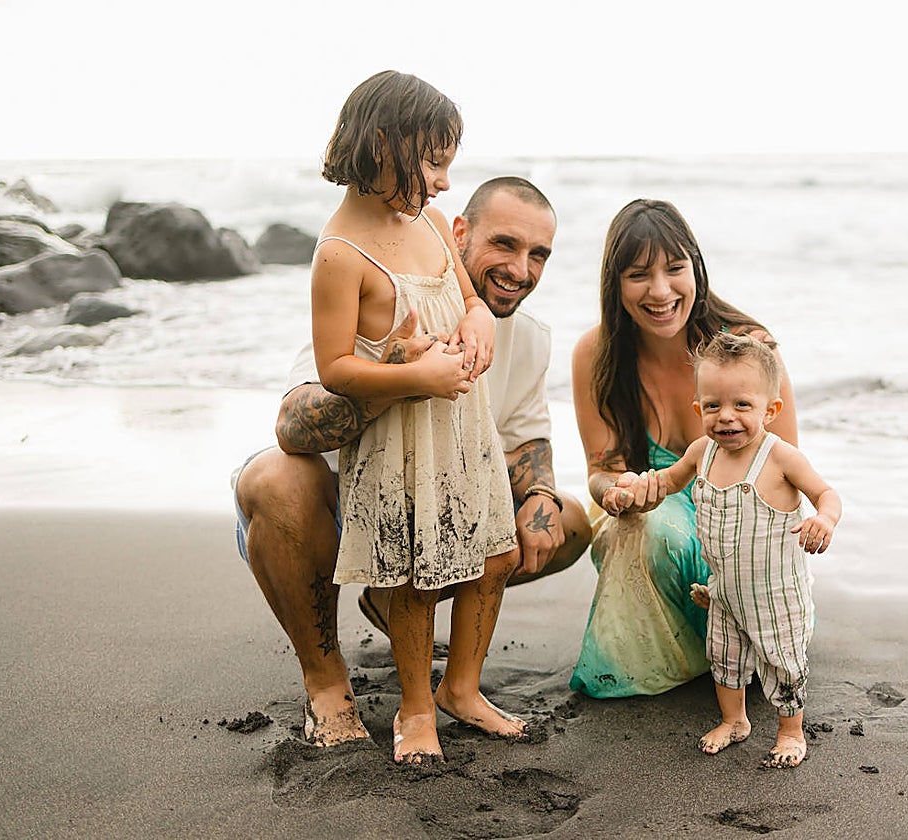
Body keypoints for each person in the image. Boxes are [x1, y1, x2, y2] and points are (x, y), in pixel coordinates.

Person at [233, 73, 589, 759]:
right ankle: (337, 684)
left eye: (538, 253)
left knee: (515, 535)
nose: (521, 269)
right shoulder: (344, 255)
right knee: (312, 501)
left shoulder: (434, 235)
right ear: (383, 145)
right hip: (357, 489)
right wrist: (406, 376)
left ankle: (461, 686)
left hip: (461, 461)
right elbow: (309, 404)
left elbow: (527, 437)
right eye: (434, 163)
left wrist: (480, 315)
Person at [568, 198, 799, 699]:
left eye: (675, 269)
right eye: (638, 275)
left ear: (696, 268)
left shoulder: (748, 347)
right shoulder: (594, 354)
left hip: (743, 530)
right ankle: (682, 659)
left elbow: (788, 472)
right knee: (645, 528)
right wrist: (618, 491)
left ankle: (739, 646)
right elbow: (601, 469)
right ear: (614, 282)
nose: (660, 291)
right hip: (654, 526)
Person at [605, 332, 840, 768]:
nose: (725, 417)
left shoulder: (781, 458)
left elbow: (827, 494)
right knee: (724, 658)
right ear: (699, 409)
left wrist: (823, 520)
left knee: (782, 663)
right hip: (724, 590)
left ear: (771, 410)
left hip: (776, 596)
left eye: (742, 405)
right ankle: (735, 720)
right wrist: (640, 484)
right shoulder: (702, 453)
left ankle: (791, 731)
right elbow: (667, 482)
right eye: (713, 405)